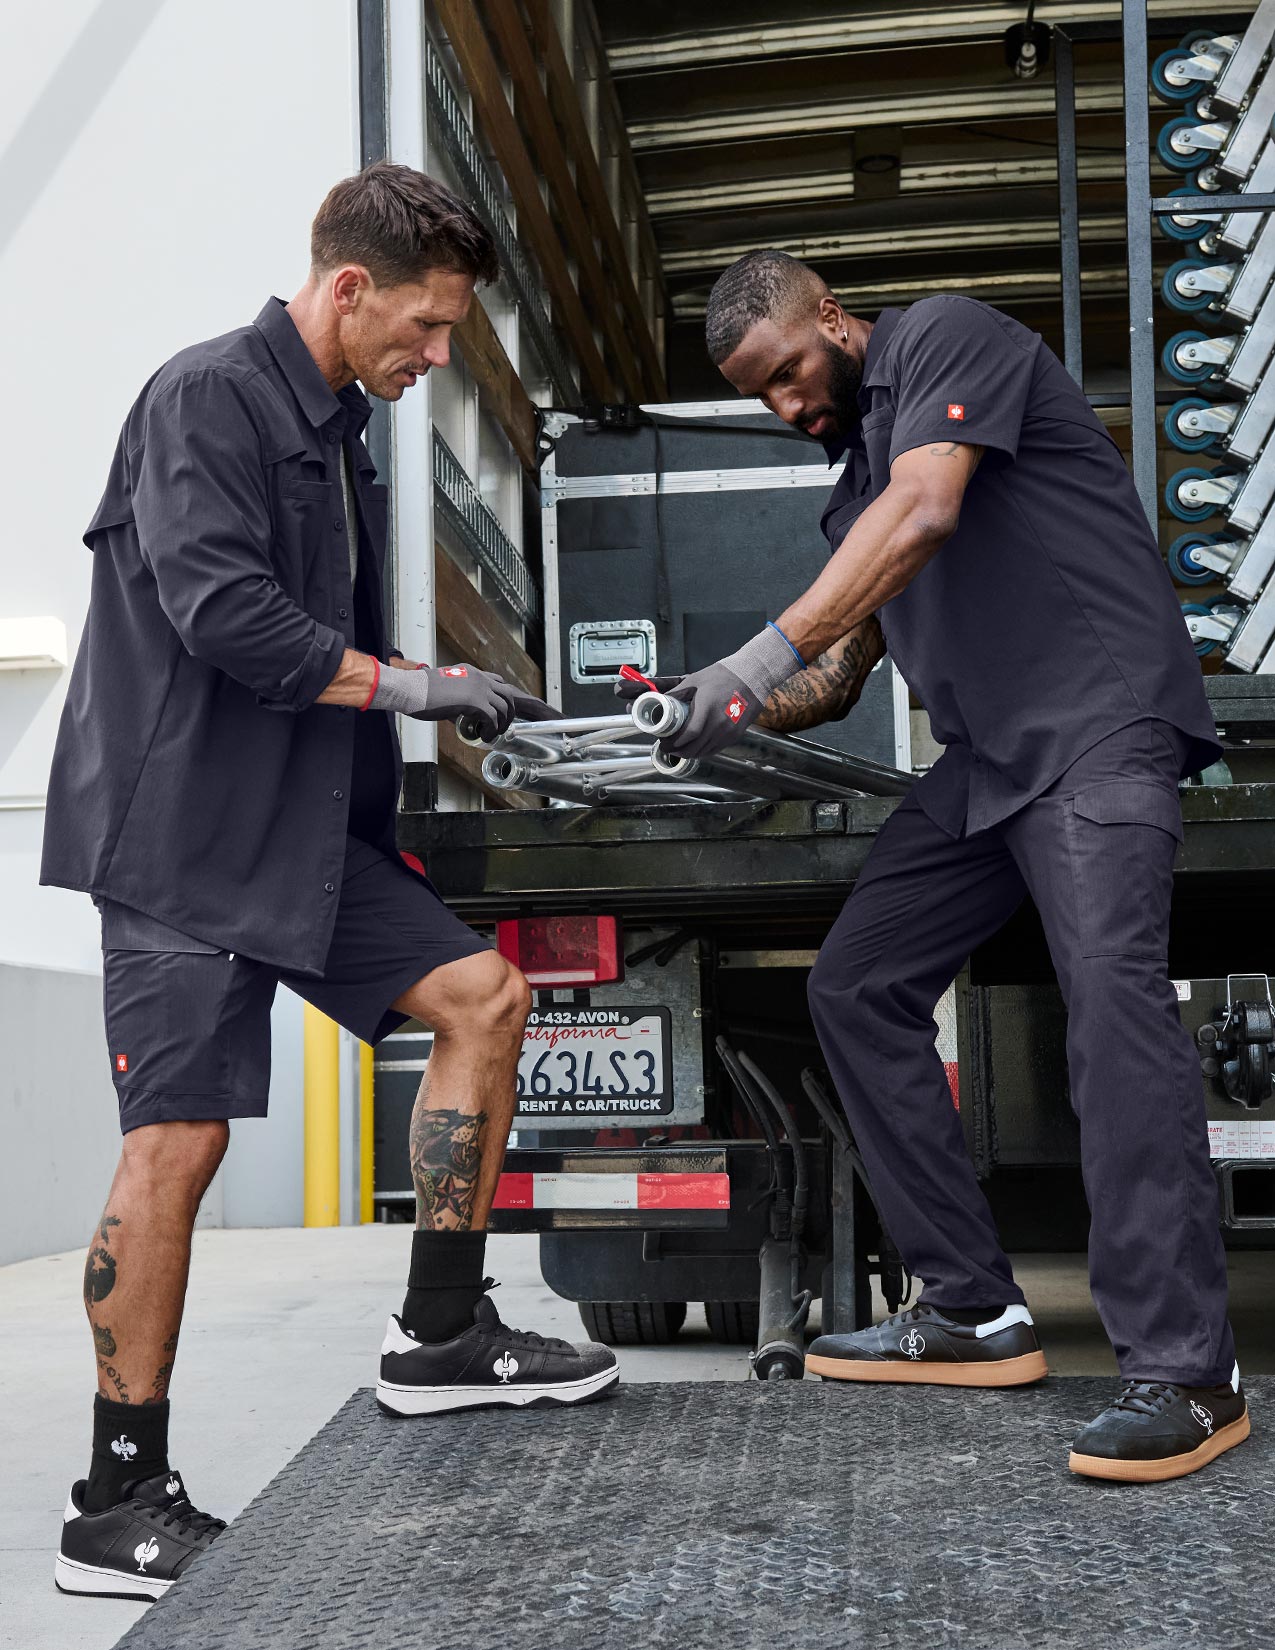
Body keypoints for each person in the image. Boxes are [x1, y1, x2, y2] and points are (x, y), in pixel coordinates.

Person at [42, 163, 618, 1602]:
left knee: (485, 998)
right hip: (180, 835)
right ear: (347, 287)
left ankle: (438, 1329)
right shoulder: (207, 399)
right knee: (175, 1143)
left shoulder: (341, 428)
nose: (432, 358)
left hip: (303, 830)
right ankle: (118, 1500)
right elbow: (230, 616)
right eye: (421, 328)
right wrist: (427, 686)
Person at [647, 248, 1247, 1484]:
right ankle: (972, 1306)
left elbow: (927, 510)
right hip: (986, 766)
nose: (786, 405)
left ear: (831, 317)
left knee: (1111, 1006)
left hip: (1096, 727)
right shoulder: (856, 475)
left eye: (788, 373)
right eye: (759, 395)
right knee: (854, 986)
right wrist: (709, 712)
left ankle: (1190, 1370)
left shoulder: (946, 340)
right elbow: (838, 669)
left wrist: (749, 664)